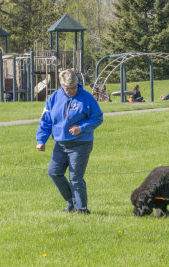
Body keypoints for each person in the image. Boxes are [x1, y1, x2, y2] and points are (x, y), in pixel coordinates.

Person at [36, 69, 103, 215]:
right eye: (68, 89)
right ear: (61, 86)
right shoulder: (53, 98)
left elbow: (97, 118)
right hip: (60, 144)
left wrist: (81, 128)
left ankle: (82, 210)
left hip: (81, 144)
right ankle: (71, 201)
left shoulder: (87, 98)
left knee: (75, 178)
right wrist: (41, 140)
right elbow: (46, 121)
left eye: (74, 87)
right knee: (54, 172)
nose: (71, 91)